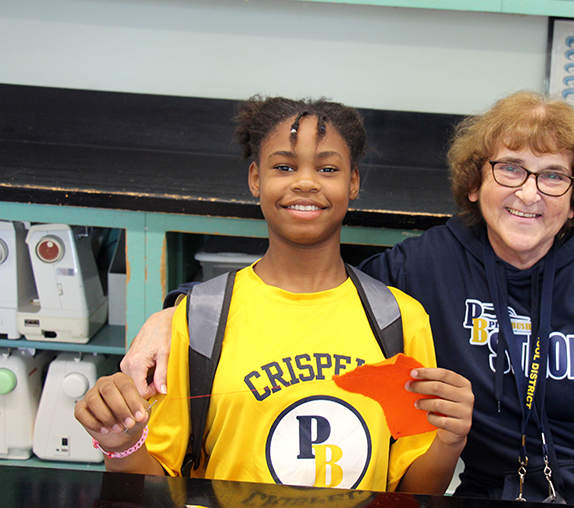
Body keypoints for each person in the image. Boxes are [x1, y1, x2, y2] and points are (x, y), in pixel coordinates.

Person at [120, 91, 574, 507]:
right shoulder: (428, 266)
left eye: (553, 175)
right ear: (476, 180)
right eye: (510, 168)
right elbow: (318, 286)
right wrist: (178, 310)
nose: (529, 194)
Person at [74, 96, 473, 495]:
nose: (305, 181)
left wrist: (450, 441)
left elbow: (415, 492)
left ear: (353, 182)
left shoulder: (401, 321)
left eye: (327, 168)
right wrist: (121, 444)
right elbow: (153, 489)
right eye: (283, 167)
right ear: (255, 178)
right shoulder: (196, 321)